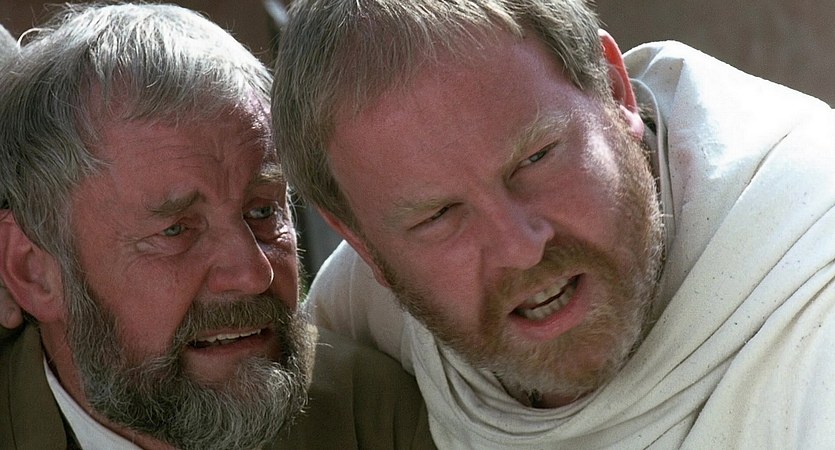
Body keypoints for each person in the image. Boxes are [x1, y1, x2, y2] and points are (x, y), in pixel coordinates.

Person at [271, 0, 835, 447]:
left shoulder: (814, 278)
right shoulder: (358, 323)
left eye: (536, 158)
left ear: (613, 89)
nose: (520, 247)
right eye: (439, 216)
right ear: (365, 246)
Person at [0, 4, 435, 449]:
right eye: (176, 231)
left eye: (263, 212)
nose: (253, 274)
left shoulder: (377, 416)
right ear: (33, 270)